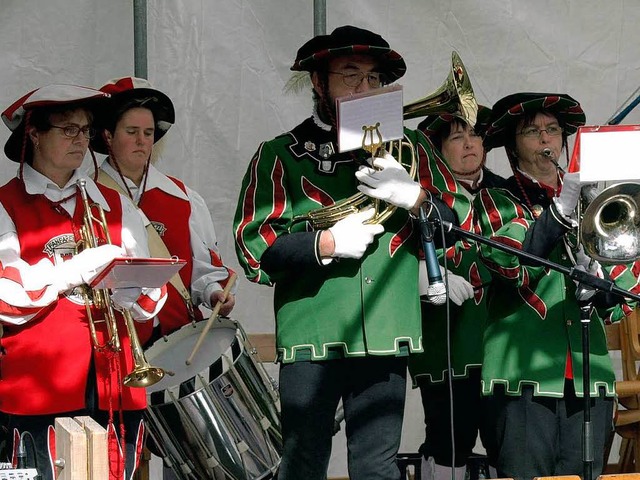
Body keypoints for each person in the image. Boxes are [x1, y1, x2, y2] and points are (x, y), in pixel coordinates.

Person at [233, 25, 473, 480]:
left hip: (387, 329)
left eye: (374, 79)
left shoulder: (414, 149)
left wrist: (416, 198)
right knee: (303, 464)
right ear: (318, 83)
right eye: (350, 77)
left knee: (376, 468)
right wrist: (324, 244)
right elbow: (253, 247)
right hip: (312, 334)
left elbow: (457, 229)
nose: (365, 89)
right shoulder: (279, 155)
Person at [0, 84, 167, 480]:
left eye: (86, 130)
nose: (81, 140)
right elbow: (5, 291)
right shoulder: (5, 203)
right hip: (41, 385)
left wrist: (136, 291)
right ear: (34, 134)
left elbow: (147, 279)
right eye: (68, 129)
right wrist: (72, 271)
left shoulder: (111, 202)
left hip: (114, 378)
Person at [473, 92, 636, 480]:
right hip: (522, 369)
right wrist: (559, 211)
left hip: (587, 369)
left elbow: (622, 295)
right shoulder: (497, 197)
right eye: (532, 132)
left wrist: (599, 285)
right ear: (514, 146)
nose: (546, 140)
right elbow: (509, 263)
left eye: (552, 130)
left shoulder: (594, 199)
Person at [91, 76, 236, 348]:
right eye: (131, 131)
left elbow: (203, 269)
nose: (142, 141)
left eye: (148, 133)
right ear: (108, 136)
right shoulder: (87, 197)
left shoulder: (182, 197)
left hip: (179, 340)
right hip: (117, 343)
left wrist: (215, 292)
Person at [409, 106, 506, 480]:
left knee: (505, 439)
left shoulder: (506, 191)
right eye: (457, 136)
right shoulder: (417, 198)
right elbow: (395, 250)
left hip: (501, 341)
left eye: (475, 135)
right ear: (436, 149)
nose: (470, 143)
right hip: (444, 340)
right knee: (450, 439)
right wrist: (420, 272)